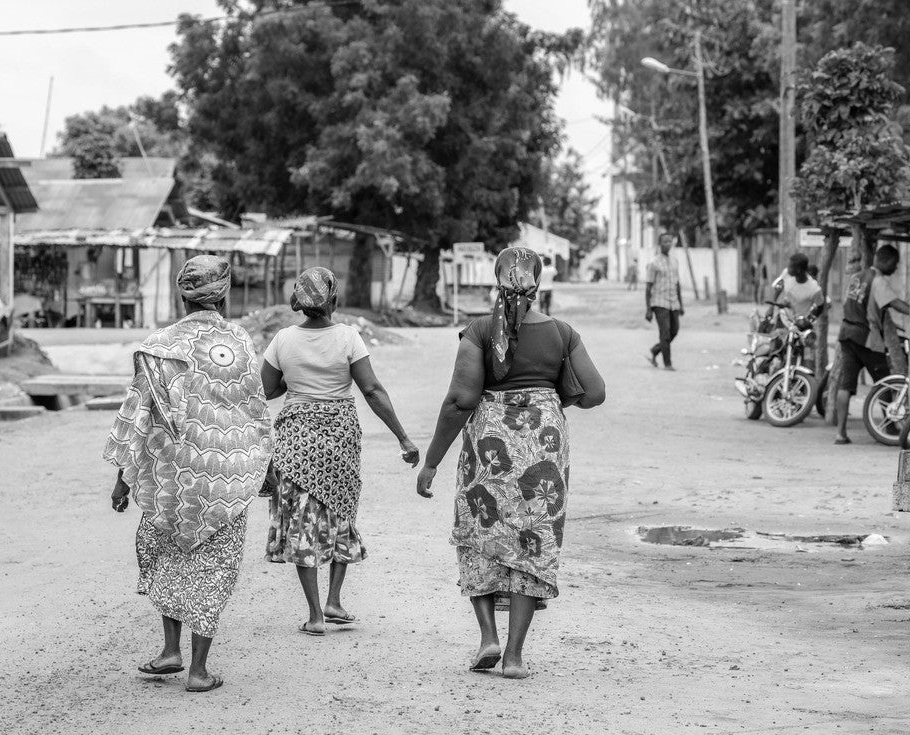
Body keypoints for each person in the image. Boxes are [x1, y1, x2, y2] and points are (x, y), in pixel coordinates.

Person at [415, 247, 605, 679]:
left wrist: (431, 462)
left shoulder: (480, 331)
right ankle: (515, 657)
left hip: (491, 444)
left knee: (479, 531)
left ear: (495, 281)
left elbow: (461, 400)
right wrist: (553, 400)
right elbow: (594, 393)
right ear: (538, 286)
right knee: (529, 542)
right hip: (544, 444)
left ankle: (488, 638)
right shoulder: (563, 333)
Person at [104, 255, 273, 693]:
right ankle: (197, 669)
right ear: (224, 292)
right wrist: (262, 469)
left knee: (168, 559)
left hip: (169, 479)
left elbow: (138, 412)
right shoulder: (238, 341)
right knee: (213, 569)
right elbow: (253, 411)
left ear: (182, 294)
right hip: (224, 477)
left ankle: (169, 650)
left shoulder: (159, 342)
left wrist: (124, 476)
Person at [260, 267, 419, 636]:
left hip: (295, 438)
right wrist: (403, 438)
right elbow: (373, 391)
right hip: (340, 436)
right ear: (334, 299)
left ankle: (316, 614)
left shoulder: (282, 339)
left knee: (302, 520)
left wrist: (292, 377)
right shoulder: (349, 337)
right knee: (339, 511)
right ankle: (334, 599)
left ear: (298, 301)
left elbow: (266, 391)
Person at [834, 245, 910, 444]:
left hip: (846, 334)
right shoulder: (879, 281)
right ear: (889, 261)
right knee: (885, 383)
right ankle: (889, 427)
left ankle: (840, 433)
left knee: (846, 384)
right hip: (867, 338)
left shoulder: (856, 277)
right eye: (896, 264)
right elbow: (895, 303)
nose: (896, 268)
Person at [645, 233, 684, 370]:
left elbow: (677, 283)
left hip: (673, 302)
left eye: (669, 241)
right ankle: (668, 364)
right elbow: (648, 286)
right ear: (660, 244)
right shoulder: (653, 263)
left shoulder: (675, 261)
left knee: (674, 331)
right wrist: (648, 309)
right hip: (659, 302)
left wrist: (681, 304)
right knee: (665, 332)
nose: (668, 244)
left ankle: (655, 350)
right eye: (664, 242)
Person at [772, 252, 825, 328]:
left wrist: (809, 321)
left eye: (790, 267)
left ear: (798, 270)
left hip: (800, 325)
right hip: (783, 320)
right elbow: (779, 287)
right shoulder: (786, 273)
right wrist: (772, 307)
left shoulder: (814, 289)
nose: (788, 269)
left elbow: (820, 306)